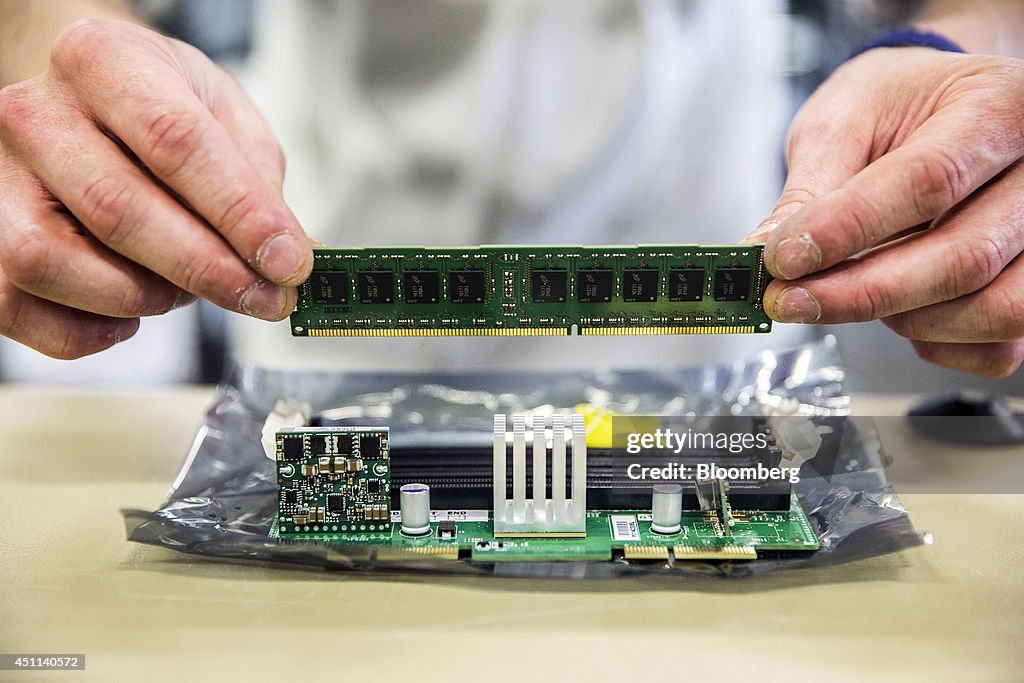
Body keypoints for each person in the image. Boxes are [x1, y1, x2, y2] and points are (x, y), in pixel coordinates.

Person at [0, 0, 1021, 378]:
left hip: (704, 351)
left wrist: (949, 72)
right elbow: (60, 13)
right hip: (321, 317)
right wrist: (79, 94)